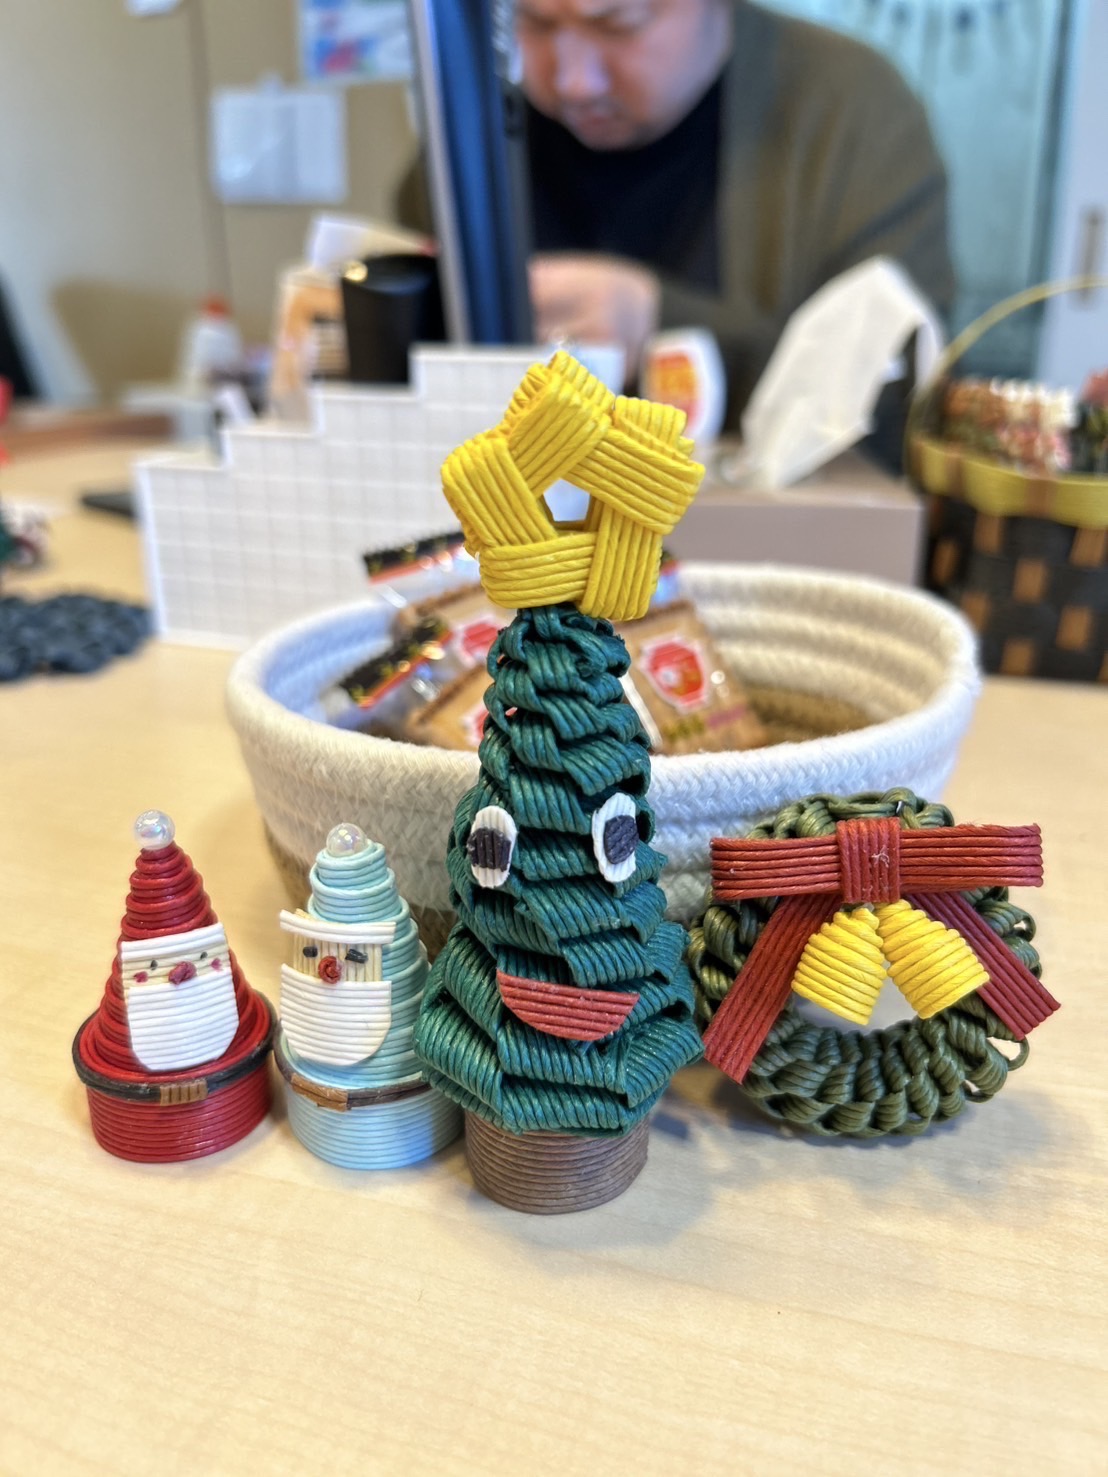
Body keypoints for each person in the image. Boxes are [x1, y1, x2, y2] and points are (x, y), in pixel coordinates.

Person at [401, 0, 955, 430]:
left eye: (618, 25)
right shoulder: (474, 131)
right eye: (535, 22)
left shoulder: (849, 116)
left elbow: (900, 406)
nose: (574, 81)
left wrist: (661, 327)